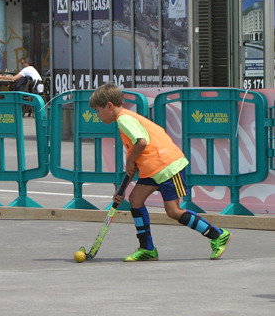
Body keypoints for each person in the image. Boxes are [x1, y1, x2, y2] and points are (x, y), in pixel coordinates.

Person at [89, 83, 231, 262]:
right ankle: (147, 249)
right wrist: (121, 189)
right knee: (135, 200)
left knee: (173, 211)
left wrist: (130, 159)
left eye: (98, 110)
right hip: (153, 168)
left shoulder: (124, 119)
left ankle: (218, 235)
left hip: (167, 166)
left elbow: (141, 142)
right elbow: (135, 160)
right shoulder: (125, 120)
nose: (98, 115)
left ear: (110, 106)